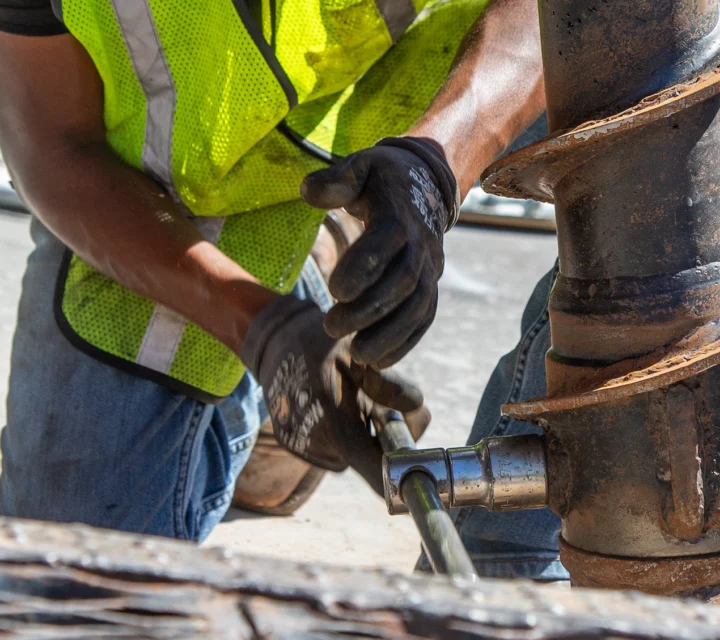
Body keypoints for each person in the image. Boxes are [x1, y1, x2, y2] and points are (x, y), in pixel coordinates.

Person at [0, 0, 553, 577]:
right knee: (71, 580)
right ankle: (300, 283)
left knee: (645, 96)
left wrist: (436, 164)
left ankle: (508, 558)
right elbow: (53, 142)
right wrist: (265, 329)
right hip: (172, 196)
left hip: (443, 83)